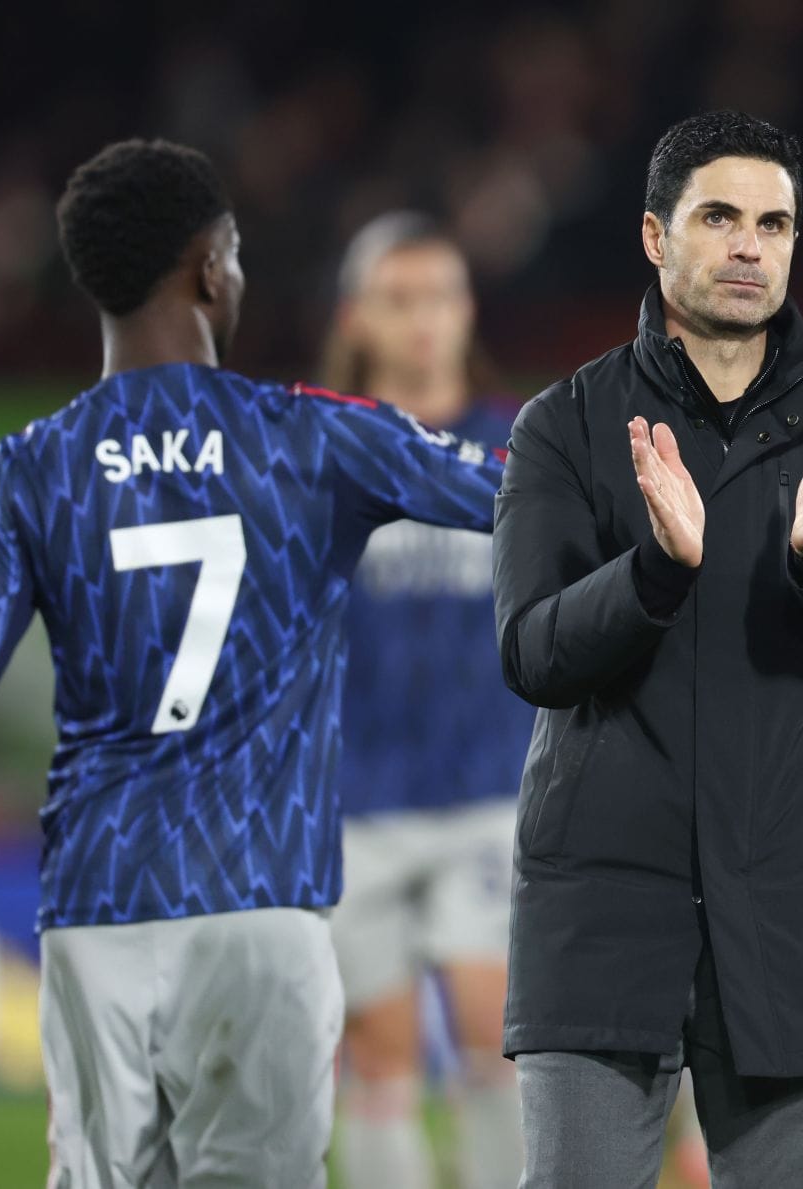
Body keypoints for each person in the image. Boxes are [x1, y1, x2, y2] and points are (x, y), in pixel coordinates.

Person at [0, 139, 504, 1188]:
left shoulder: (27, 471)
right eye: (234, 256)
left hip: (98, 909)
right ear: (211, 268)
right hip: (262, 903)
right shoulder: (310, 436)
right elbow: (521, 493)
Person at [490, 110, 803, 1188]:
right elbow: (531, 652)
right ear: (656, 236)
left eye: (773, 224)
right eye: (720, 218)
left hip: (800, 915)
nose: (750, 246)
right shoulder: (564, 423)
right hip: (602, 912)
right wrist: (655, 572)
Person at [319, 211, 532, 1188]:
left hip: (491, 788)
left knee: (496, 1034)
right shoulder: (322, 452)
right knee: (379, 1055)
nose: (422, 320)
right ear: (356, 317)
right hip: (353, 798)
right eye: (398, 299)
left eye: (440, 296)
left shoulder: (525, 447)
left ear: (468, 310)